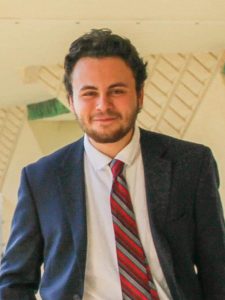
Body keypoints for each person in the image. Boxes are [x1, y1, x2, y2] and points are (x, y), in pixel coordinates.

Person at [0, 29, 225, 300]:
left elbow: (217, 270)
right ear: (72, 101)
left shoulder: (191, 164)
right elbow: (14, 281)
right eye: (89, 93)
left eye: (116, 91)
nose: (103, 105)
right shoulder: (41, 179)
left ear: (140, 95)